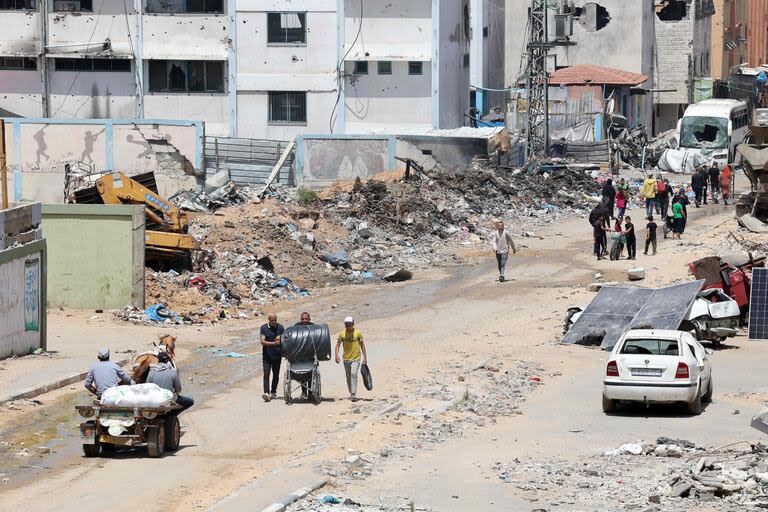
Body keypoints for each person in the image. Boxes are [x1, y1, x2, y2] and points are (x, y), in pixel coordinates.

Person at [335, 317, 368, 402]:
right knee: (348, 376)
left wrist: (365, 357)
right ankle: (351, 392)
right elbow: (337, 345)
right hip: (346, 359)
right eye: (346, 324)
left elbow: (362, 345)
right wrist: (336, 355)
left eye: (349, 324)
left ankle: (353, 394)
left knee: (353, 374)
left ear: (353, 324)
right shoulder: (342, 334)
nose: (348, 326)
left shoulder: (358, 333)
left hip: (356, 358)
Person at [260, 313, 285, 402]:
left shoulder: (280, 327)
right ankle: (266, 393)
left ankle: (273, 392)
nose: (274, 322)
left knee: (276, 375)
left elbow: (284, 339)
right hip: (267, 356)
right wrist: (274, 343)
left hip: (277, 355)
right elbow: (263, 341)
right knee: (266, 374)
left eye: (275, 320)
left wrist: (281, 337)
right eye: (272, 320)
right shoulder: (263, 328)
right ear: (269, 320)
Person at [294, 312, 315, 398]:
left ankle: (310, 392)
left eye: (306, 319)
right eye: (302, 319)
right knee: (302, 373)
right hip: (301, 353)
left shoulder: (314, 327)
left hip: (310, 353)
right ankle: (303, 392)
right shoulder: (296, 326)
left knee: (310, 373)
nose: (304, 320)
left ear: (309, 319)